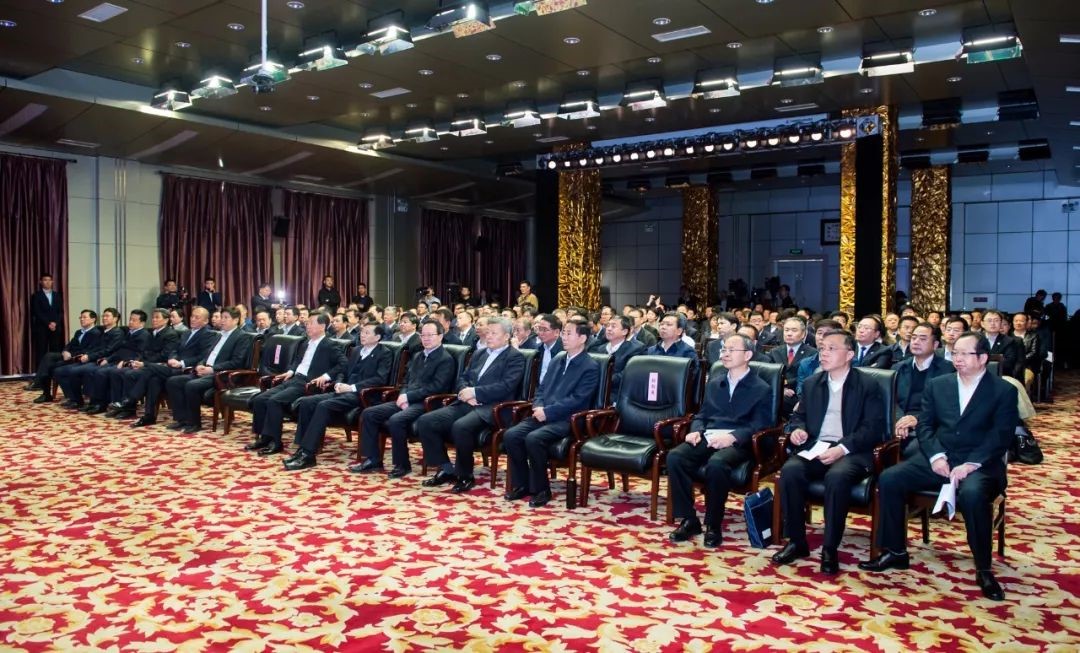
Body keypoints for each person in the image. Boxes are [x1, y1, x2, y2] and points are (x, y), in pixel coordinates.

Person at [861, 332, 1018, 601]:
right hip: (940, 458)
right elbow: (925, 425)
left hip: (979, 464)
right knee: (890, 478)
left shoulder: (1003, 390)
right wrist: (936, 456)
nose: (957, 359)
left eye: (964, 354)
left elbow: (1000, 436)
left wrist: (970, 464)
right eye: (954, 353)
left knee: (973, 494)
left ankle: (983, 568)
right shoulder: (938, 385)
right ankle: (895, 551)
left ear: (982, 358)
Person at [772, 329, 884, 575]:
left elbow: (873, 428)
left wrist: (841, 448)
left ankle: (830, 547)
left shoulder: (868, 384)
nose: (824, 353)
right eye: (822, 348)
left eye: (832, 349)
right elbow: (799, 417)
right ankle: (797, 541)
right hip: (818, 446)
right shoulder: (813, 383)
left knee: (837, 476)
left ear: (850, 354)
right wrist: (798, 430)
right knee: (790, 471)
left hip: (853, 450)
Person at [667, 334, 774, 546]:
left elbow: (761, 425)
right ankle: (689, 519)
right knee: (675, 457)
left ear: (748, 355)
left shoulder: (761, 388)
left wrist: (732, 437)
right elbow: (702, 415)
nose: (724, 354)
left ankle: (713, 524)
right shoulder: (715, 383)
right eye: (723, 349)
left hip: (741, 442)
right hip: (710, 435)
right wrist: (696, 430)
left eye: (731, 350)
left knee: (717, 463)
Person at [416, 317, 526, 493]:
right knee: (426, 421)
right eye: (487, 332)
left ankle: (465, 475)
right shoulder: (479, 354)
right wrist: (465, 392)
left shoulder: (515, 357)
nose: (488, 336)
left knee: (461, 426)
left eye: (493, 333)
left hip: (493, 407)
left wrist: (475, 392)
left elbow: (506, 386)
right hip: (466, 402)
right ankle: (446, 468)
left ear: (506, 336)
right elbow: (463, 377)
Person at [503, 320, 600, 507]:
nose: (564, 337)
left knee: (534, 438)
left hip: (568, 419)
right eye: (563, 333)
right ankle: (522, 484)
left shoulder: (590, 366)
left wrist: (548, 412)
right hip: (543, 413)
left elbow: (578, 399)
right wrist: (538, 405)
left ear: (582, 338)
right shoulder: (558, 359)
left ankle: (542, 490)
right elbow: (542, 388)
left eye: (569, 333)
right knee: (511, 435)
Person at [351, 320, 457, 476]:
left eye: (430, 335)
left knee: (397, 420)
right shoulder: (418, 355)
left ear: (440, 336)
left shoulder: (445, 359)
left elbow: (437, 387)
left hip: (427, 403)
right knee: (369, 413)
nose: (426, 338)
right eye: (423, 335)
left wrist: (409, 396)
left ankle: (402, 465)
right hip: (407, 399)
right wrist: (403, 394)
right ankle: (373, 459)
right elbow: (406, 380)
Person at [285, 322, 393, 470]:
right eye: (362, 332)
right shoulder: (356, 350)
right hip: (343, 392)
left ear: (377, 337)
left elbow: (380, 379)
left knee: (323, 405)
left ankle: (308, 454)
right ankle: (302, 449)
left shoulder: (384, 353)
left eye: (367, 333)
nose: (362, 335)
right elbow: (344, 370)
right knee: (306, 402)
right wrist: (338, 383)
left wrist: (352, 387)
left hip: (363, 395)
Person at [244, 313, 347, 456]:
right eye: (307, 323)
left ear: (322, 326)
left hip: (308, 383)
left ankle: (276, 442)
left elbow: (343, 364)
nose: (307, 326)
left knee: (275, 401)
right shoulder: (305, 343)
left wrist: (325, 376)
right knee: (260, 399)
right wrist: (290, 371)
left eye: (311, 323)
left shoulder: (330, 345)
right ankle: (264, 438)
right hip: (294, 379)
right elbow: (297, 361)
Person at [113, 307, 217, 427]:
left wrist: (182, 363)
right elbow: (175, 350)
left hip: (188, 369)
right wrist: (172, 358)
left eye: (197, 317)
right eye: (192, 316)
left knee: (149, 368)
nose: (192, 319)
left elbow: (202, 356)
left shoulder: (208, 334)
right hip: (174, 366)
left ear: (205, 321)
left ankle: (131, 399)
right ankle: (150, 417)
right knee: (154, 380)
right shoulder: (187, 333)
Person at [164, 306, 253, 434]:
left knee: (191, 385)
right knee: (173, 381)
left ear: (236, 320)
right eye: (221, 317)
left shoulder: (242, 337)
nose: (222, 320)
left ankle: (194, 423)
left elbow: (237, 362)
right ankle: (182, 419)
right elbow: (207, 355)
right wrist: (200, 365)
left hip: (222, 375)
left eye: (226, 318)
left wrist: (211, 369)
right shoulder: (218, 335)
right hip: (206, 371)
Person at [892, 323, 955, 458]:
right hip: (899, 424)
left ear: (935, 344)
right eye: (914, 337)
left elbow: (946, 406)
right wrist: (901, 420)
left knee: (914, 451)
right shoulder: (898, 368)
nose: (916, 342)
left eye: (922, 338)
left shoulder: (948, 370)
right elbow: (891, 400)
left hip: (929, 426)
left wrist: (917, 419)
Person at [54, 308, 122, 409]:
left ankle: (90, 402)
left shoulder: (117, 333)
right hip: (94, 358)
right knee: (59, 371)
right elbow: (95, 347)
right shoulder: (102, 331)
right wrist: (87, 355)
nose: (104, 318)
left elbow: (108, 350)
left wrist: (89, 356)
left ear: (115, 319)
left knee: (75, 371)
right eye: (103, 316)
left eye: (107, 316)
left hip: (104, 360)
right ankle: (74, 398)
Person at [30, 309, 101, 403]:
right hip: (69, 355)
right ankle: (43, 388)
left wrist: (71, 354)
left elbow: (89, 350)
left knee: (52, 368)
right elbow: (70, 345)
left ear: (93, 319)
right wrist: (65, 351)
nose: (81, 319)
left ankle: (45, 391)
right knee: (49, 356)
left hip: (78, 358)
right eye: (80, 317)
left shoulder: (96, 333)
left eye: (84, 317)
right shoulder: (79, 332)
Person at [768, 317, 817, 416]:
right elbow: (770, 375)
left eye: (794, 330)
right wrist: (781, 389)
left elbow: (810, 378)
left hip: (799, 394)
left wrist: (787, 384)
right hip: (778, 391)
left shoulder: (812, 353)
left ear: (803, 334)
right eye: (786, 330)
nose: (789, 333)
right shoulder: (775, 351)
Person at [589, 315, 644, 401]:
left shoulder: (635, 349)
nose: (609, 329)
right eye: (608, 326)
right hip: (598, 393)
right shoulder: (600, 349)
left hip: (620, 395)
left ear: (624, 331)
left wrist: (602, 379)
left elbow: (627, 375)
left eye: (613, 326)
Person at [29, 273, 64, 382]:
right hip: (41, 328)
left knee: (55, 351)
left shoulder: (57, 295)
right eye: (45, 280)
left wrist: (55, 323)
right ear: (41, 282)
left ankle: (54, 373)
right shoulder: (36, 295)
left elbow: (60, 312)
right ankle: (41, 376)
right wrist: (48, 323)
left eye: (49, 280)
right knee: (41, 351)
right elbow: (36, 312)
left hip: (55, 328)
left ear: (52, 282)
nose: (48, 282)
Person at [533, 314, 564, 384]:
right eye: (539, 329)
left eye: (545, 330)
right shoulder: (537, 349)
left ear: (557, 332)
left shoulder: (564, 351)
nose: (540, 333)